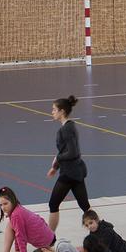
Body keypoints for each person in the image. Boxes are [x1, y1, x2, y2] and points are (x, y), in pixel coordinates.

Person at [47, 96, 90, 231]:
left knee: (53, 204)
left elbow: (72, 153)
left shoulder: (66, 129)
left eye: (54, 109)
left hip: (70, 173)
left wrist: (58, 158)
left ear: (62, 111)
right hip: (75, 171)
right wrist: (55, 167)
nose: (52, 112)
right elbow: (67, 150)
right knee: (85, 206)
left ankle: (48, 239)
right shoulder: (70, 126)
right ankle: (102, 233)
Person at [0, 185, 55, 252]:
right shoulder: (18, 208)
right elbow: (17, 231)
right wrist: (18, 250)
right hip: (50, 237)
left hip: (46, 242)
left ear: (12, 201)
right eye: (1, 205)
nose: (3, 208)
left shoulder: (16, 215)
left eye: (5, 204)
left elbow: (20, 236)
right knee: (10, 224)